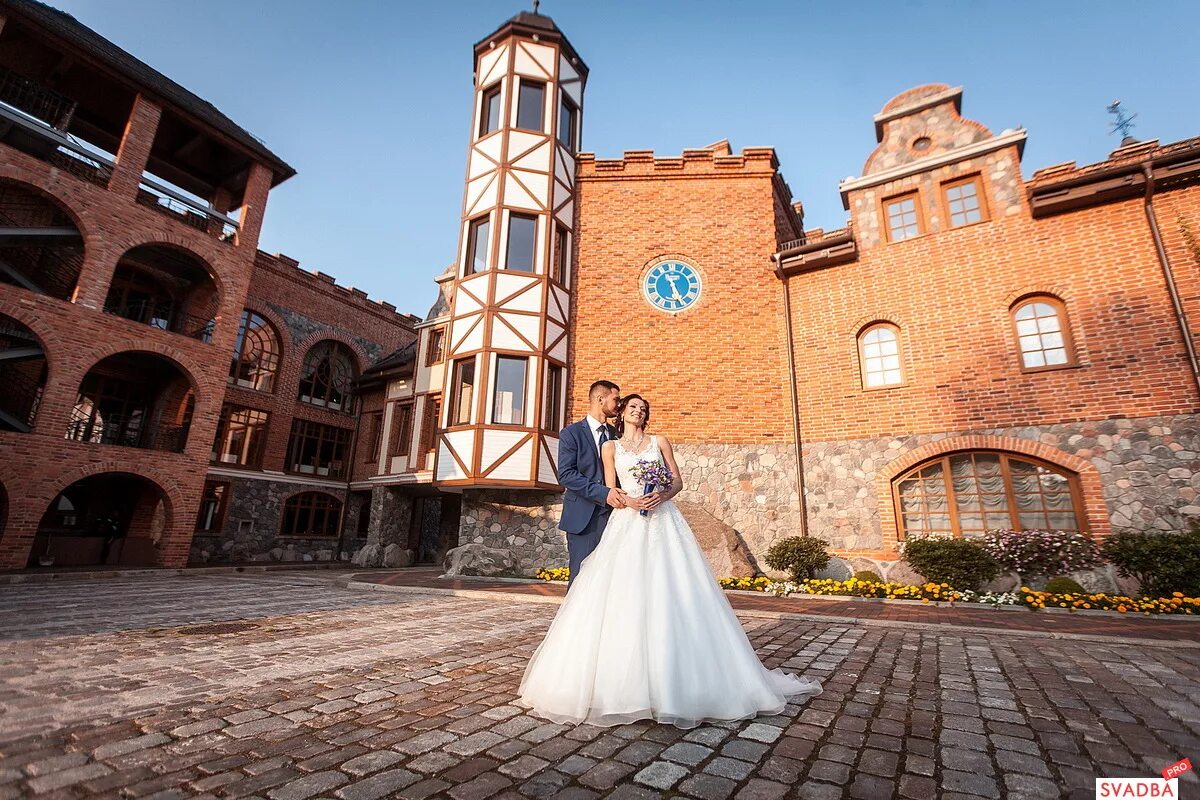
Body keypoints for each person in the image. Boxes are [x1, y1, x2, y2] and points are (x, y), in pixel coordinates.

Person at [518, 394, 821, 728]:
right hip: (628, 522)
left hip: (663, 519)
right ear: (624, 413)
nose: (638, 411)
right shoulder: (610, 448)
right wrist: (629, 501)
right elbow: (610, 490)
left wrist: (662, 494)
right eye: (632, 407)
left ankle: (683, 684)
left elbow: (676, 480)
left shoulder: (659, 441)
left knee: (671, 586)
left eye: (643, 409)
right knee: (624, 594)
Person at [555, 380, 642, 588]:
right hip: (583, 519)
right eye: (616, 400)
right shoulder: (571, 433)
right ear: (600, 399)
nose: (619, 405)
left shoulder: (618, 437)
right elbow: (566, 474)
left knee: (611, 581)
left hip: (616, 518)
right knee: (581, 580)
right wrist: (604, 493)